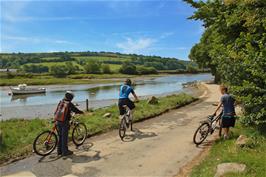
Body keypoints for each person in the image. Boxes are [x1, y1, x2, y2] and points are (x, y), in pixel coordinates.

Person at [54, 91, 84, 156]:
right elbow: (75, 110)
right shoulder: (69, 103)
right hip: (64, 122)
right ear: (71, 97)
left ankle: (59, 151)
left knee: (60, 136)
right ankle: (65, 152)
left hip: (58, 120)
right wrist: (81, 112)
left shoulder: (61, 101)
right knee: (64, 137)